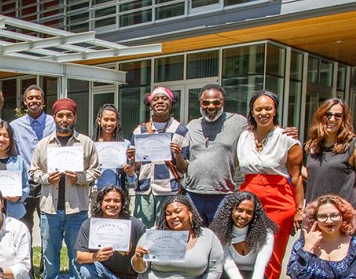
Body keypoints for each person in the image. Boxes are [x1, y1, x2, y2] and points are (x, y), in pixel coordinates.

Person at [29, 97, 99, 279]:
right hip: (50, 208)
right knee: (50, 250)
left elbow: (95, 170)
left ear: (75, 117)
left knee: (75, 249)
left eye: (68, 115)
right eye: (60, 115)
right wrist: (45, 178)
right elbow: (33, 170)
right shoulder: (44, 145)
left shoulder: (85, 143)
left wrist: (80, 178)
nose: (64, 119)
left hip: (77, 207)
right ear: (55, 118)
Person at [236, 90, 303, 279]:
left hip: (278, 198)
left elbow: (297, 177)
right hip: (248, 195)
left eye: (268, 108)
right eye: (258, 109)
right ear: (252, 112)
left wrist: (300, 209)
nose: (263, 113)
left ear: (275, 111)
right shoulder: (244, 137)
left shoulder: (288, 139)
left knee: (272, 249)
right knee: (247, 245)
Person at [303, 98, 356, 237]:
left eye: (338, 115)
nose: (332, 119)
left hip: (341, 217)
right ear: (321, 117)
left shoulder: (354, 145)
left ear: (344, 119)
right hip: (314, 215)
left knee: (340, 257)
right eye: (328, 114)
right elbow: (312, 175)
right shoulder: (312, 146)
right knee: (310, 256)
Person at [210, 191, 277, 279]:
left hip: (254, 277)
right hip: (229, 277)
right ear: (231, 210)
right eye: (239, 210)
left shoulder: (266, 233)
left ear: (254, 214)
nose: (243, 216)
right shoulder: (220, 231)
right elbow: (228, 264)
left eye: (249, 212)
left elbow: (261, 264)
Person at [76, 184, 145, 279]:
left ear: (123, 204)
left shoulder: (135, 225)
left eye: (116, 201)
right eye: (107, 200)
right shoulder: (90, 224)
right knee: (87, 270)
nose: (112, 204)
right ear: (100, 203)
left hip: (128, 278)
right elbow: (80, 257)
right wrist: (96, 256)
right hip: (102, 271)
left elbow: (147, 258)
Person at [183, 84, 247, 226]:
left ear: (222, 102)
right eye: (206, 102)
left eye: (216, 102)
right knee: (196, 238)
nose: (211, 106)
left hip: (223, 194)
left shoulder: (238, 122)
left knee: (219, 239)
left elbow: (260, 127)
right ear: (200, 103)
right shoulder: (192, 125)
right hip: (193, 193)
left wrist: (283, 132)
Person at [130, 86, 189, 228]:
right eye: (155, 99)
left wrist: (178, 155)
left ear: (171, 102)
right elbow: (136, 168)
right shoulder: (140, 131)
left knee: (167, 230)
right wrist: (133, 159)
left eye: (164, 98)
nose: (160, 102)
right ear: (150, 104)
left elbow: (185, 168)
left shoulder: (181, 131)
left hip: (169, 190)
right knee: (143, 230)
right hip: (145, 190)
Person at [9, 84, 55, 233]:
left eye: (37, 98)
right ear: (25, 101)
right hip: (26, 182)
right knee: (24, 226)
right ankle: (25, 256)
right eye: (30, 98)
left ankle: (45, 257)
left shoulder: (54, 123)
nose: (34, 101)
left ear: (43, 100)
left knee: (47, 226)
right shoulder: (14, 126)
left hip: (48, 181)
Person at [92, 103, 134, 192]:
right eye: (106, 119)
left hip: (118, 192)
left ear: (117, 122)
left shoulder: (125, 145)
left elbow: (132, 180)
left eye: (112, 120)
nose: (109, 123)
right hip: (96, 192)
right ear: (99, 121)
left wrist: (130, 173)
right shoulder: (91, 144)